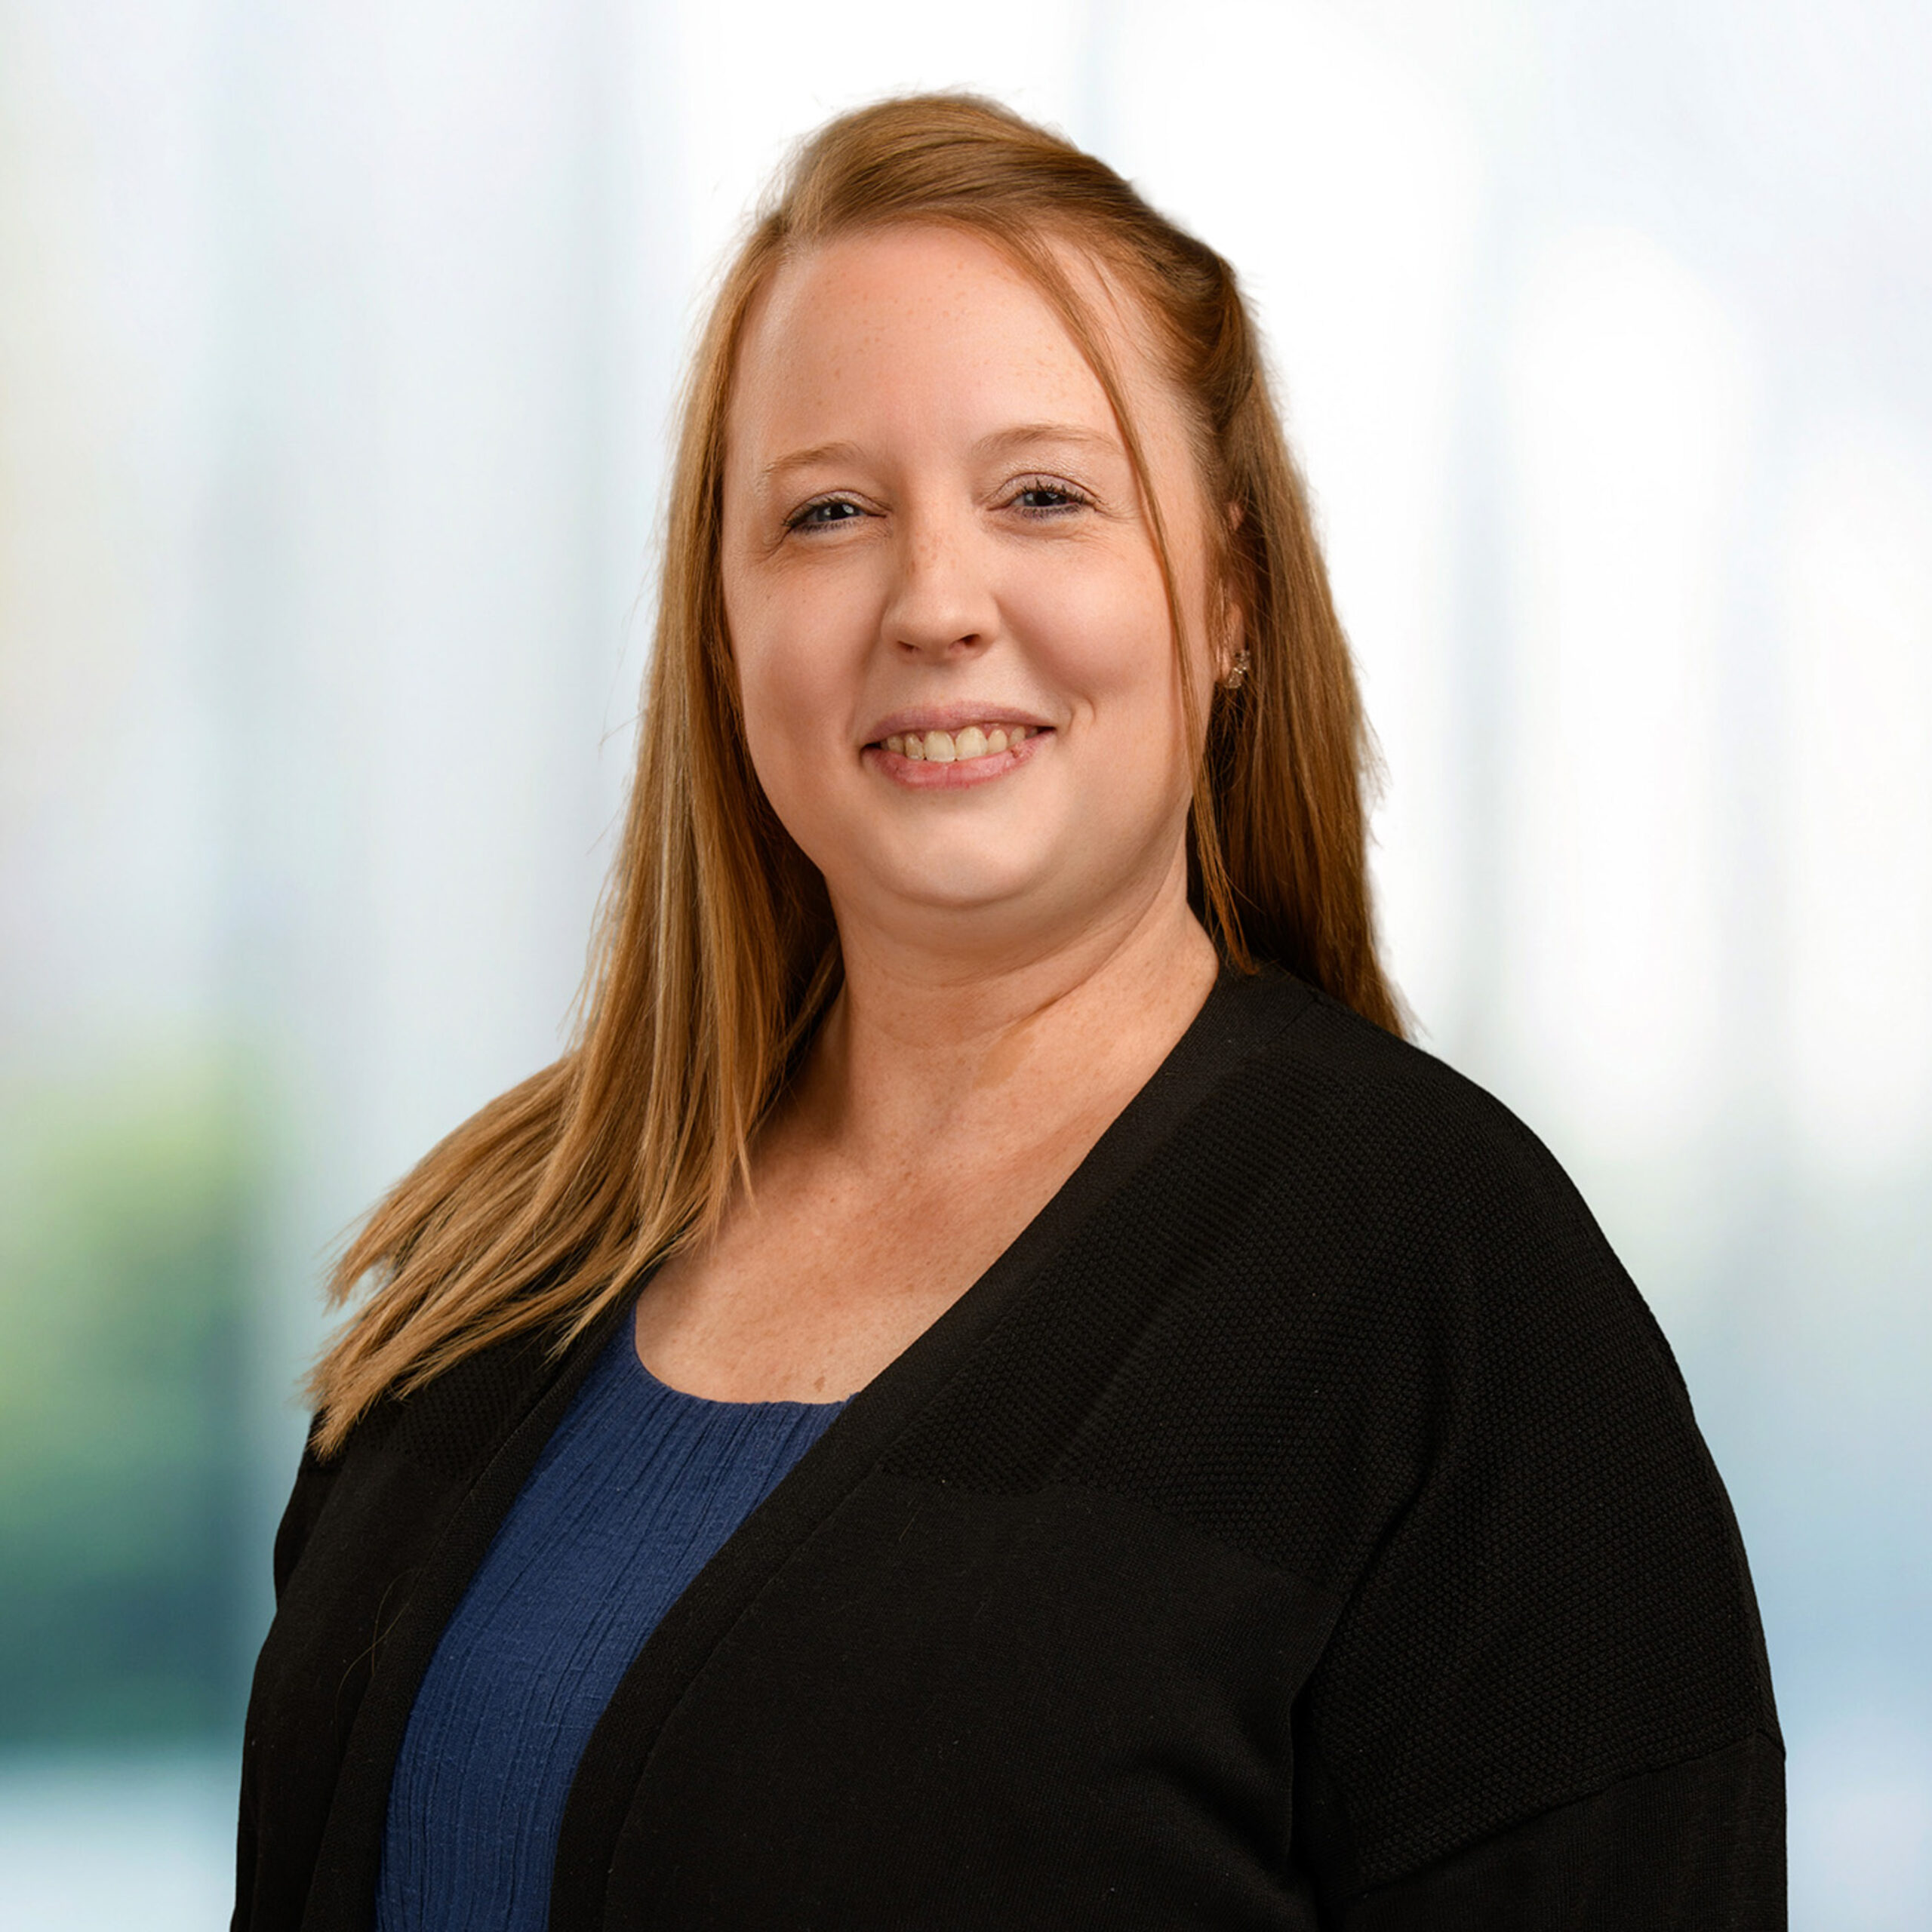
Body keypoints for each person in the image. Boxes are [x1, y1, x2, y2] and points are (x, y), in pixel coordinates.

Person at [233, 93, 1784, 1930]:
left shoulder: (1441, 1293)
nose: (934, 600)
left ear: (1224, 593)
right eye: (825, 512)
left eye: (1042, 494)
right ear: (723, 624)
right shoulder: (509, 1256)